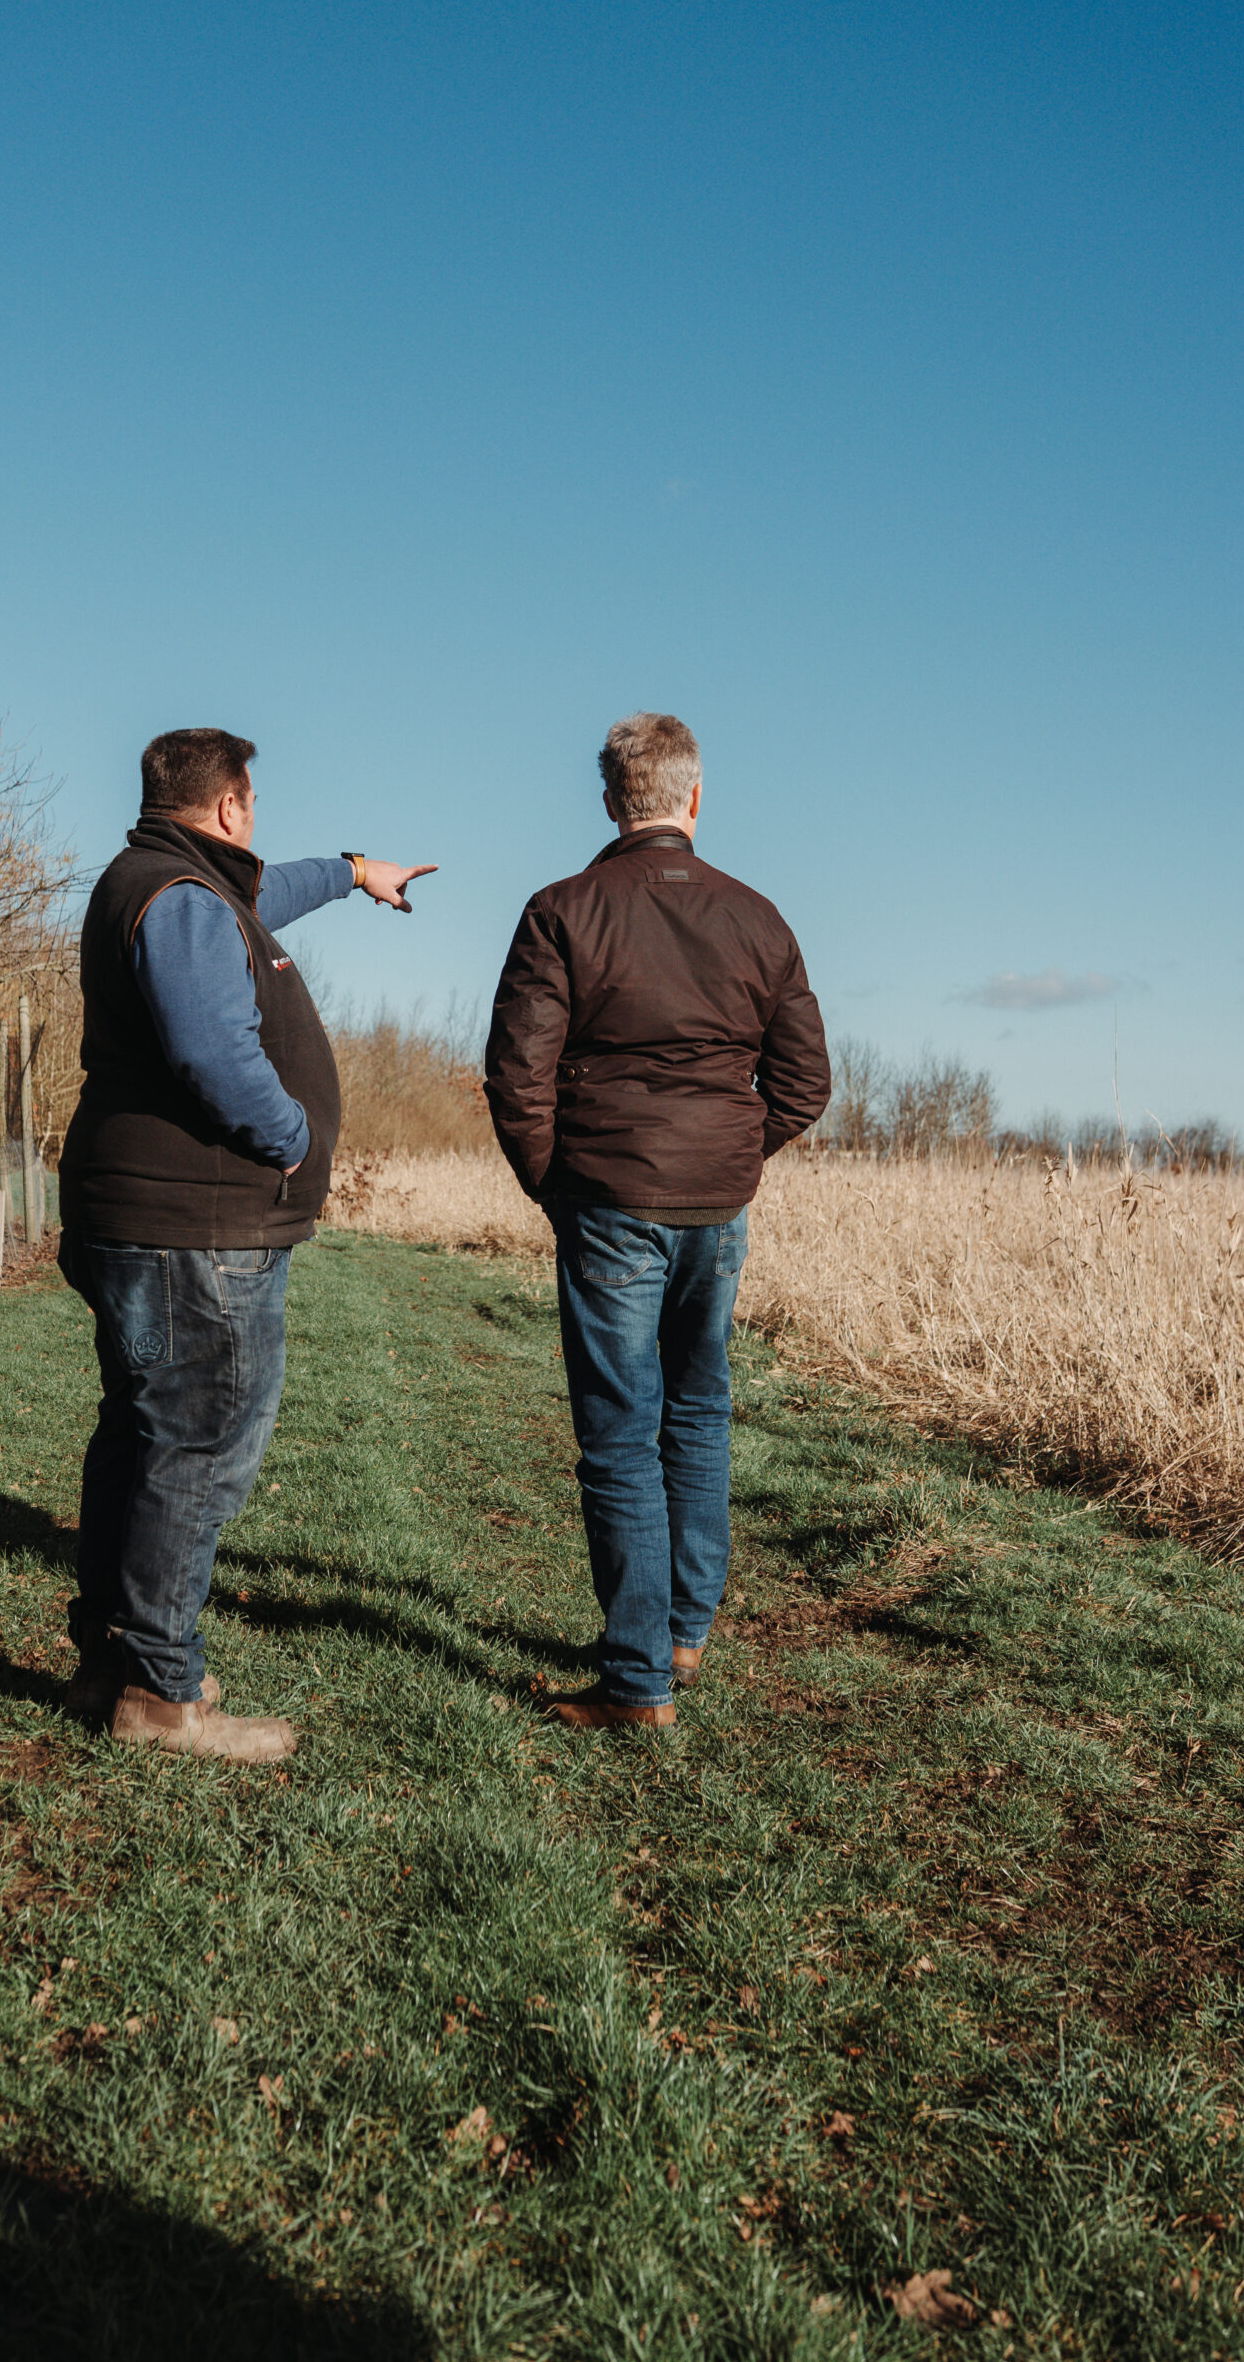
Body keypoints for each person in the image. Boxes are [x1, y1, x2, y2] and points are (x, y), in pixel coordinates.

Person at [58, 727, 436, 1762]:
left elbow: (273, 894)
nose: (258, 820)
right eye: (253, 802)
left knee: (143, 1436)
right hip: (194, 1229)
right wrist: (293, 1135)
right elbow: (211, 1050)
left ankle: (119, 1655)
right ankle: (160, 1692)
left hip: (159, 1221)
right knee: (201, 1447)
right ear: (229, 805)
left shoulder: (179, 885)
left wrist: (357, 874)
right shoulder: (180, 901)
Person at [483, 711, 829, 1731]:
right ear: (694, 796)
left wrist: (560, 1181)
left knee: (621, 1434)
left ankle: (639, 1679)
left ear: (608, 802)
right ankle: (682, 1629)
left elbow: (517, 1075)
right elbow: (805, 1083)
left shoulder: (562, 910)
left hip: (612, 1202)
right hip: (715, 1209)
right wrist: (727, 1155)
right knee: (697, 1409)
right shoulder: (759, 917)